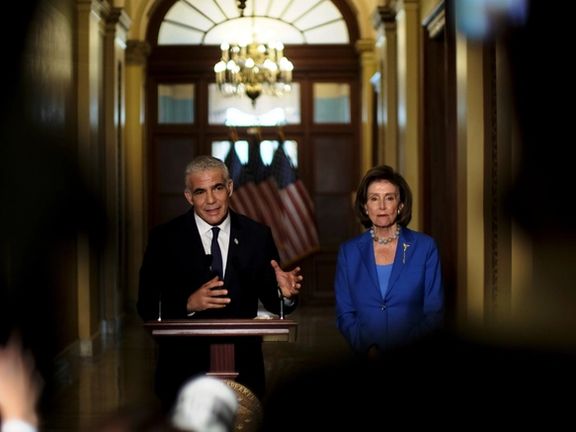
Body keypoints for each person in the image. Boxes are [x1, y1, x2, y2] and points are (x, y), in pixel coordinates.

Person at [137, 155, 302, 409]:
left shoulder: (257, 236)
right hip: (181, 375)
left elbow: (274, 301)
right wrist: (187, 303)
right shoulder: (164, 239)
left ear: (230, 188)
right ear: (189, 197)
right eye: (200, 192)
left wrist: (285, 293)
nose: (211, 200)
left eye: (217, 188)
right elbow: (145, 305)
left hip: (243, 374)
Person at [334, 164, 444, 356]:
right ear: (365, 206)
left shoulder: (425, 248)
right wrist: (368, 348)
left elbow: (434, 312)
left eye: (389, 198)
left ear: (400, 205)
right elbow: (345, 314)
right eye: (374, 198)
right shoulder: (348, 252)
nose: (382, 206)